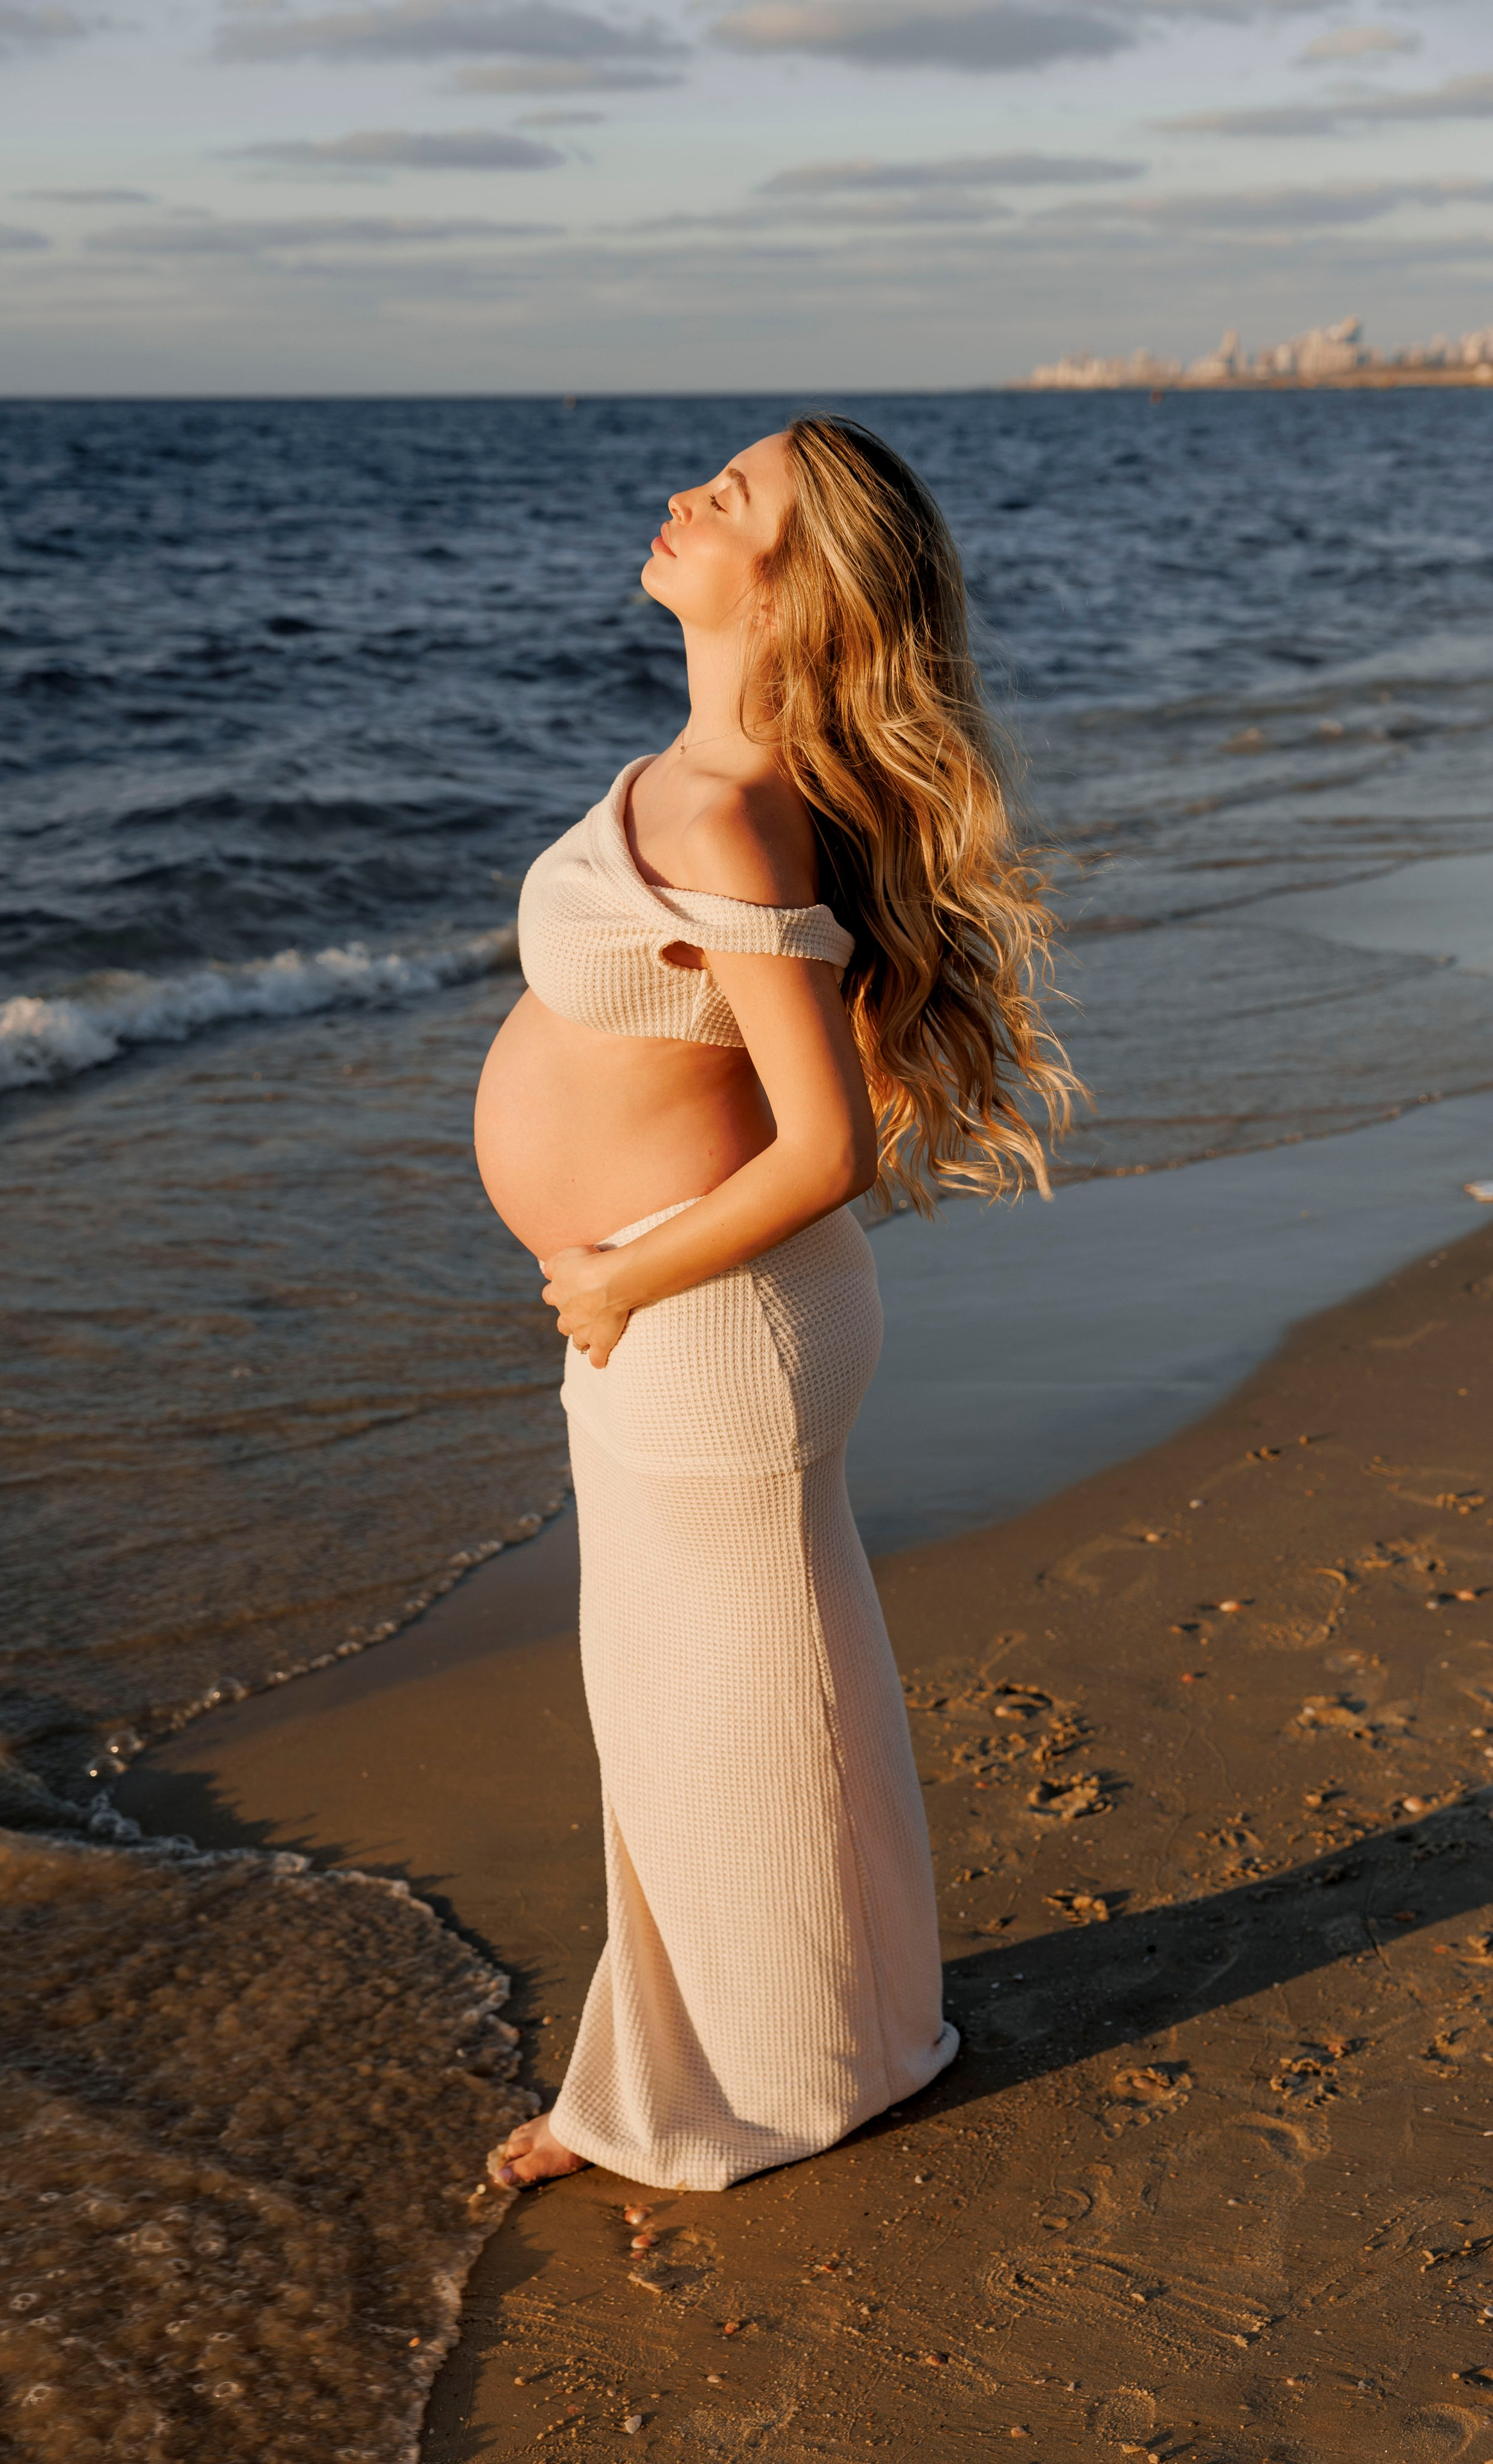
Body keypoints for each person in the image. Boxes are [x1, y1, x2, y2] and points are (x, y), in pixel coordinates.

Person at [473, 416, 1075, 2193]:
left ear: (792, 582)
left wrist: (619, 1275)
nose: (688, 495)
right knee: (733, 1705)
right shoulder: (712, 774)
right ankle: (808, 2050)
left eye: (733, 497)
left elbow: (828, 1146)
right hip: (691, 1313)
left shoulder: (734, 812)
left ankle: (750, 2088)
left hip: (703, 1310)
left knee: (718, 1722)